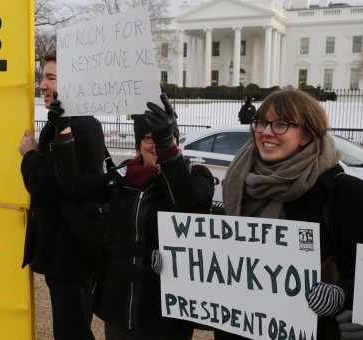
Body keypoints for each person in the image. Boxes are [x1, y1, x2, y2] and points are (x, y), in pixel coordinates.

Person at [48, 94, 214, 339]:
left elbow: (189, 208)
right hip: (119, 307)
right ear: (138, 144)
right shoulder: (123, 176)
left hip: (166, 313)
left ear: (174, 141)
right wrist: (63, 133)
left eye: (165, 137)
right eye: (149, 138)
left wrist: (166, 145)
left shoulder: (197, 175)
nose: (155, 144)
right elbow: (73, 187)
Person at [221, 89, 363, 340]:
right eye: (261, 122)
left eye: (280, 124)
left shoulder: (344, 193)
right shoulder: (239, 182)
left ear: (307, 134)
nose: (265, 132)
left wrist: (343, 295)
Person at [19, 53, 107, 340]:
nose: (42, 85)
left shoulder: (79, 126)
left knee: (72, 332)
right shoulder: (68, 122)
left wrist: (30, 153)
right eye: (42, 77)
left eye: (51, 78)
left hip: (70, 249)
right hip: (67, 248)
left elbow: (44, 185)